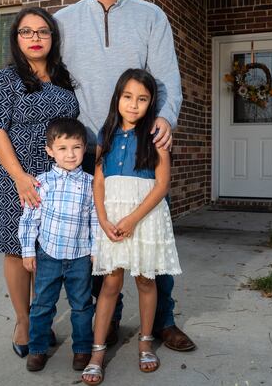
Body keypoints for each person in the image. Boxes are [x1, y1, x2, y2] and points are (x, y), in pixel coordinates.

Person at [55, 0, 196, 352]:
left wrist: (166, 119)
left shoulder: (151, 16)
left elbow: (168, 79)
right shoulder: (63, 21)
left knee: (153, 232)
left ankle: (164, 322)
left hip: (140, 144)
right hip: (88, 148)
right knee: (101, 239)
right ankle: (109, 319)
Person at [0, 7, 77, 358]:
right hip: (16, 175)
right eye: (27, 32)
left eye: (42, 32)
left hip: (57, 178)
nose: (35, 38)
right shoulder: (5, 79)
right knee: (16, 247)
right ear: (16, 38)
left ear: (53, 38)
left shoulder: (64, 78)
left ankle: (42, 319)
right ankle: (23, 321)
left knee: (46, 249)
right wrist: (21, 178)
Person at [81, 69, 182, 386]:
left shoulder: (155, 135)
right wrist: (103, 219)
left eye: (142, 99)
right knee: (110, 284)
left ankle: (145, 343)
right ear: (117, 98)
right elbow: (98, 182)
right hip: (111, 218)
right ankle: (97, 352)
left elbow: (162, 184)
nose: (134, 105)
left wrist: (132, 219)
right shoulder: (105, 133)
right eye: (128, 97)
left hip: (144, 217)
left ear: (151, 102)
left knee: (146, 282)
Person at [19, 117, 97, 373]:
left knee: (82, 305)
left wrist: (96, 250)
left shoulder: (90, 184)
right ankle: (38, 349)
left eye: (76, 147)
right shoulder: (42, 183)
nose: (70, 154)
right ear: (50, 151)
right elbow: (30, 219)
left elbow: (96, 219)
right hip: (48, 255)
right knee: (42, 305)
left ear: (84, 148)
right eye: (62, 148)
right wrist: (28, 251)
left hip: (80, 256)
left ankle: (82, 350)